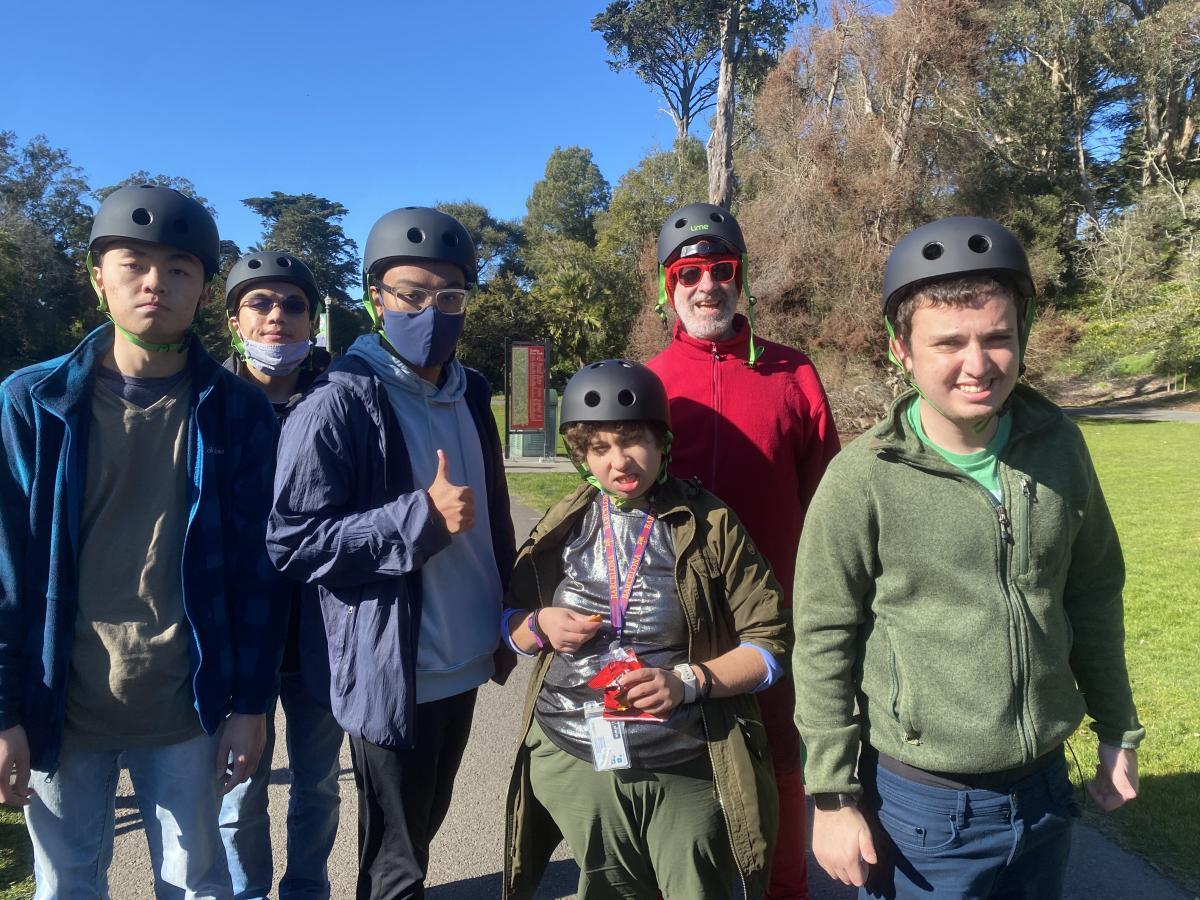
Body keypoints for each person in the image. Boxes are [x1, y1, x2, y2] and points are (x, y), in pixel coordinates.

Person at [794, 217, 1144, 898]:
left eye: (997, 338)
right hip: (924, 814)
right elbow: (823, 638)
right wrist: (833, 797)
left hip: (1046, 792)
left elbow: (1094, 591)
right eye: (949, 342)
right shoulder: (862, 477)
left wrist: (1116, 727)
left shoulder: (1059, 447)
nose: (978, 365)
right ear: (903, 349)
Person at [0, 184, 288, 897]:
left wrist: (251, 706)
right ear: (98, 277)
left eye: (180, 268)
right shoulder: (31, 405)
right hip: (59, 700)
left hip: (187, 703)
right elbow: (3, 568)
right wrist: (2, 713)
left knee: (197, 881)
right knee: (66, 883)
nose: (155, 282)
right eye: (133, 264)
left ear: (204, 290)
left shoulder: (239, 413)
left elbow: (260, 573)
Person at [267, 206, 516, 899]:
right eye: (410, 293)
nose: (431, 311)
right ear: (375, 297)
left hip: (465, 660)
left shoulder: (471, 394)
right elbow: (292, 542)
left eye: (450, 296)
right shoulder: (339, 401)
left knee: (422, 837)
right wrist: (416, 519)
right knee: (395, 866)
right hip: (395, 672)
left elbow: (494, 517)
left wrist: (508, 614)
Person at [502, 359, 791, 900]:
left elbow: (770, 644)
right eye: (600, 447)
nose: (620, 460)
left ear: (662, 442)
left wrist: (688, 681)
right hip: (577, 754)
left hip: (686, 757)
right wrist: (538, 624)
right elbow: (509, 627)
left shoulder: (711, 523)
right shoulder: (564, 523)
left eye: (633, 440)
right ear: (582, 456)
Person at [645, 202, 840, 899]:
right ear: (668, 284)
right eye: (689, 272)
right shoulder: (649, 382)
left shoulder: (794, 374)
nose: (706, 286)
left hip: (777, 619)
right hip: (674, 623)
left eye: (720, 270)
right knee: (680, 773)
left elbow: (828, 504)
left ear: (740, 278)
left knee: (782, 769)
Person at [219, 250, 343, 899]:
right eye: (260, 303)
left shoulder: (342, 397)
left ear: (312, 318)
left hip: (321, 633)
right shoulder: (207, 402)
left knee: (318, 785)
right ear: (234, 317)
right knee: (238, 791)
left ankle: (306, 888)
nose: (277, 317)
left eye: (293, 304)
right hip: (236, 639)